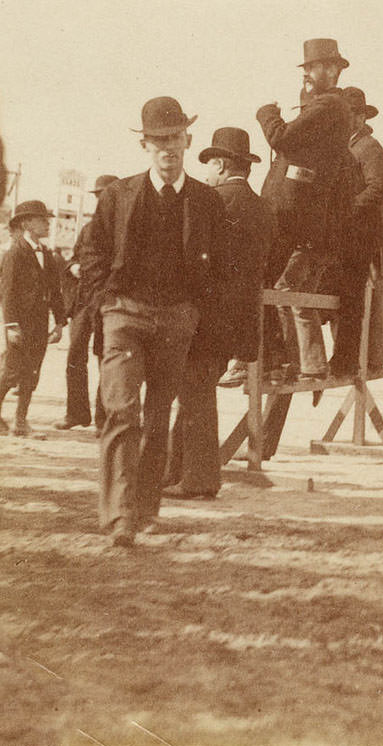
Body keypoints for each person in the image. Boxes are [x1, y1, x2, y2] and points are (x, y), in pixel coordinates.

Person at [83, 96, 227, 547]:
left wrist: (196, 317)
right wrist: (106, 303)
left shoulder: (206, 202)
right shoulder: (118, 196)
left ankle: (145, 509)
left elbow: (220, 269)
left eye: (175, 139)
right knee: (123, 410)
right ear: (145, 145)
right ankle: (119, 516)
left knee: (159, 416)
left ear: (188, 140)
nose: (169, 148)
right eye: (159, 141)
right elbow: (91, 254)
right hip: (125, 315)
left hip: (177, 321)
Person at [163, 127, 273, 499]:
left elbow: (194, 261)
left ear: (222, 164)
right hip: (238, 322)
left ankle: (199, 479)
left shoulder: (212, 200)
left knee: (194, 395)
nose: (207, 172)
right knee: (196, 391)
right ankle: (173, 470)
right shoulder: (262, 207)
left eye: (210, 164)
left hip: (204, 318)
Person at [257, 38, 357, 381]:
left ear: (336, 70)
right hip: (300, 218)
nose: (320, 72)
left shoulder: (328, 106)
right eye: (315, 67)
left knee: (285, 290)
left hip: (299, 221)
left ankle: (299, 364)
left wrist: (267, 113)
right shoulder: (327, 109)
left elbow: (281, 138)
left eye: (328, 67)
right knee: (283, 290)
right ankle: (284, 361)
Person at [343, 86, 383, 371]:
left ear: (360, 118)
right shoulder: (349, 146)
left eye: (351, 115)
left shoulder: (368, 147)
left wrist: (345, 210)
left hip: (377, 231)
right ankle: (361, 355)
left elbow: (376, 189)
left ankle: (373, 358)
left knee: (376, 289)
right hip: (360, 229)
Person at [54, 174, 118, 432]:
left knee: (107, 359)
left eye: (105, 196)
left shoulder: (125, 228)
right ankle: (77, 413)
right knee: (74, 356)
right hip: (83, 302)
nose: (101, 200)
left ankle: (104, 419)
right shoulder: (88, 229)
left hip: (108, 303)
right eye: (98, 196)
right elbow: (72, 260)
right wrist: (74, 267)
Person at [0, 200, 66, 436]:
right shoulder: (14, 253)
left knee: (32, 372)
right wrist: (10, 325)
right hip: (20, 324)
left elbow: (55, 291)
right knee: (11, 371)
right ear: (27, 223)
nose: (47, 223)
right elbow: (7, 292)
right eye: (41, 219)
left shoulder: (47, 255)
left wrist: (59, 323)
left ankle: (20, 422)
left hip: (40, 323)